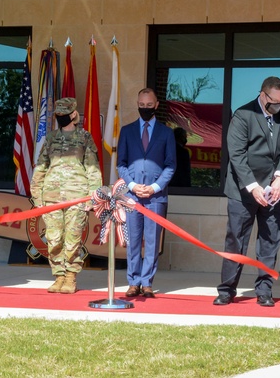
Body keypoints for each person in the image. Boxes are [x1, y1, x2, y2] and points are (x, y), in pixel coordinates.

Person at [214, 76, 280, 307]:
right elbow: (237, 155)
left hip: (273, 190)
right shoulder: (243, 115)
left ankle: (264, 290)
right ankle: (227, 290)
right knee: (236, 240)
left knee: (270, 240)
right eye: (275, 101)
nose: (279, 105)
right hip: (243, 190)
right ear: (263, 95)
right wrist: (253, 186)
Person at [30, 98, 102, 295]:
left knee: (73, 239)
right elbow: (41, 167)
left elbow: (92, 169)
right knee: (53, 238)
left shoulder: (84, 137)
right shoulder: (51, 138)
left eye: (64, 115)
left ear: (73, 114)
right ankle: (59, 276)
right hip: (51, 197)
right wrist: (37, 196)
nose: (61, 118)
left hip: (76, 197)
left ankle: (70, 276)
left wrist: (92, 197)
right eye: (58, 116)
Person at [117, 88, 176, 298]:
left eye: (149, 106)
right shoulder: (126, 131)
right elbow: (121, 164)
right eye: (141, 106)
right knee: (133, 239)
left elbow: (170, 165)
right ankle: (133, 282)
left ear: (156, 105)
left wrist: (154, 187)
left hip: (156, 197)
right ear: (137, 104)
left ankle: (147, 282)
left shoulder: (167, 133)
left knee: (152, 241)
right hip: (133, 196)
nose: (145, 109)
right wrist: (132, 186)